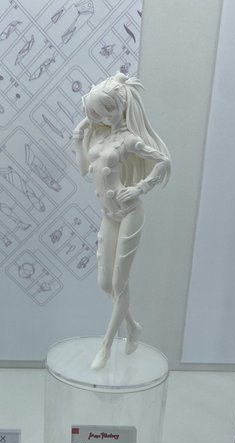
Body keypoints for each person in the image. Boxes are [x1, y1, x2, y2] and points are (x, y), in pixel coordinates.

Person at [73, 72, 170, 369]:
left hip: (129, 212)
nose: (101, 117)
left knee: (119, 282)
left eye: (106, 110)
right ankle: (133, 326)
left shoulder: (129, 139)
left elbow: (163, 161)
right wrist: (79, 136)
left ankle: (106, 346)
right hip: (109, 215)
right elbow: (83, 169)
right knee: (105, 284)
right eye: (96, 113)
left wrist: (140, 188)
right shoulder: (99, 136)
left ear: (120, 106)